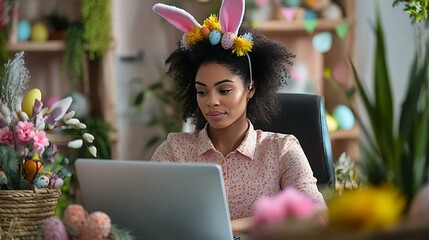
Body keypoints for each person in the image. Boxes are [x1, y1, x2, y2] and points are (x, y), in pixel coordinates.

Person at [151, 0, 327, 234]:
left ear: (250, 89)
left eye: (224, 90)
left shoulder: (282, 150)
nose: (211, 101)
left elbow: (317, 216)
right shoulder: (174, 151)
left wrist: (227, 229)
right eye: (202, 91)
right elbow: (149, 216)